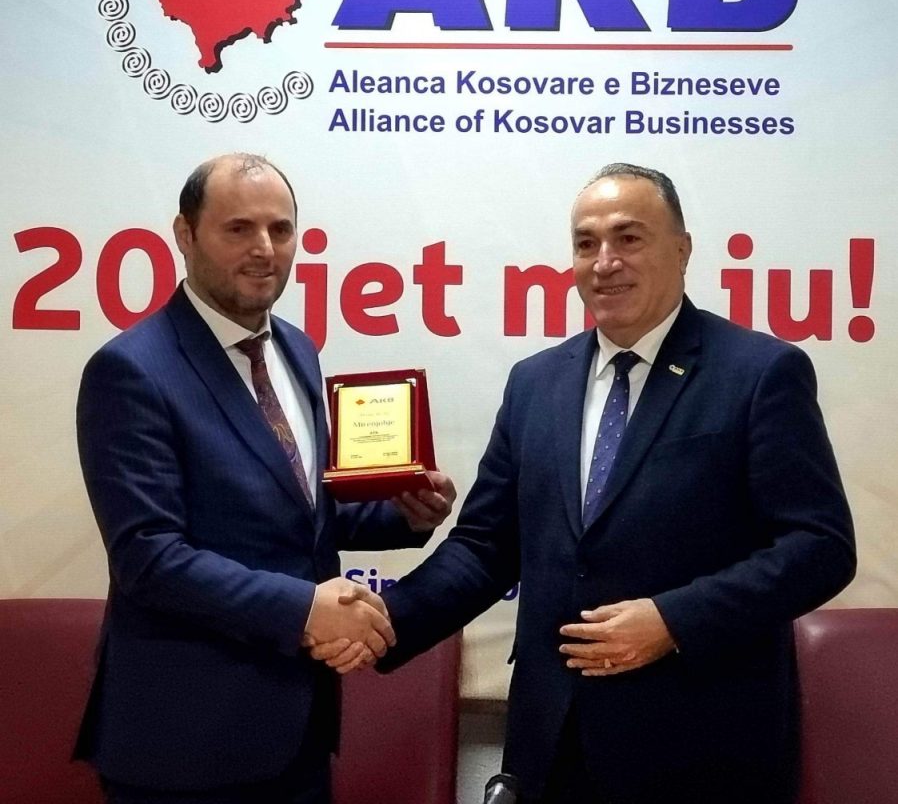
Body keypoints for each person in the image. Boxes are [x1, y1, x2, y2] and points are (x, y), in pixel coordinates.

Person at [320, 163, 856, 803]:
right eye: (586, 243)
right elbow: (486, 547)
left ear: (682, 250)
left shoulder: (761, 373)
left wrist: (673, 620)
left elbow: (820, 547)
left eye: (628, 238)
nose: (605, 262)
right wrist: (386, 621)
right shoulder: (535, 383)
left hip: (704, 745)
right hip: (553, 745)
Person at [74, 153, 456, 804]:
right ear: (185, 234)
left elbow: (300, 513)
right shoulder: (131, 371)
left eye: (280, 229)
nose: (264, 248)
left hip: (297, 729)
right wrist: (303, 608)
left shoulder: (296, 349)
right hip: (183, 745)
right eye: (238, 228)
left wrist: (403, 514)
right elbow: (148, 558)